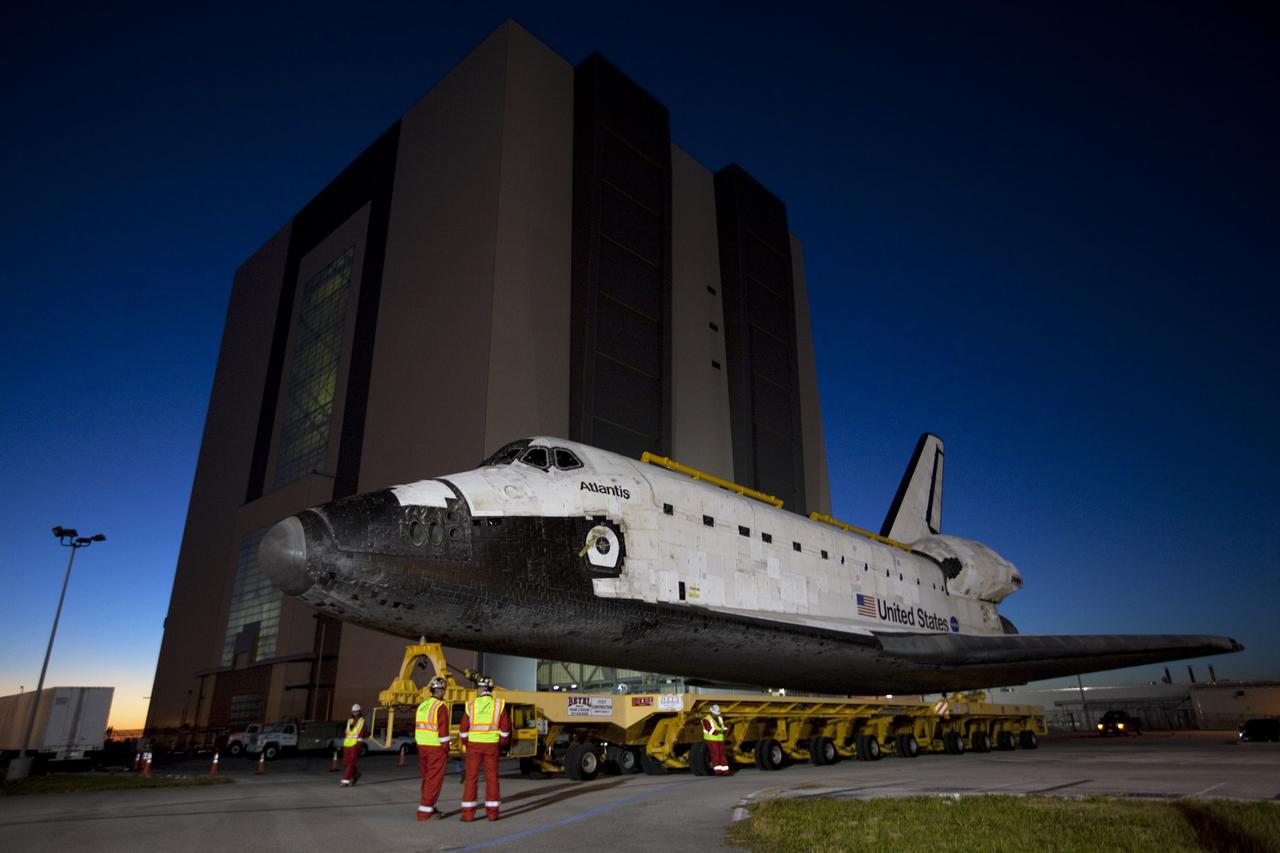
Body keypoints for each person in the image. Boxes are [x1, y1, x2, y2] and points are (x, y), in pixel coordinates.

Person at [458, 675, 510, 822]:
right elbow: (505, 730)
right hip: (492, 746)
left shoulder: (471, 705)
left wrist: (467, 742)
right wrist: (501, 743)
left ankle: (468, 814)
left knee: (471, 778)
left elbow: (463, 729)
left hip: (474, 746)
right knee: (492, 778)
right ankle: (492, 814)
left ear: (480, 689)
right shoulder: (499, 705)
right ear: (491, 689)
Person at [415, 676, 451, 821]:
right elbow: (443, 732)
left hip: (422, 747)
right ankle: (424, 812)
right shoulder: (440, 707)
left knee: (427, 779)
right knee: (434, 780)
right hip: (435, 748)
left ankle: (430, 806)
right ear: (441, 691)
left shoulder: (422, 705)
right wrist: (446, 748)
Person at [340, 703, 368, 786]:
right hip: (347, 743)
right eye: (354, 711)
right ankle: (356, 775)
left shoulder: (362, 721)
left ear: (360, 712)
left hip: (356, 744)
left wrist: (359, 742)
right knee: (346, 763)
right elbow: (346, 732)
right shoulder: (349, 721)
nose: (355, 713)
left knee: (351, 762)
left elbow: (364, 733)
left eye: (357, 711)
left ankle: (345, 781)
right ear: (352, 712)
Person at [703, 704, 731, 775]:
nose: (716, 715)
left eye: (717, 713)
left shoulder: (719, 718)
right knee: (716, 755)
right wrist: (720, 731)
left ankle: (725, 771)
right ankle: (718, 771)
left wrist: (724, 729)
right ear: (711, 712)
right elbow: (711, 731)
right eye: (715, 714)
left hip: (720, 739)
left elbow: (722, 727)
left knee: (722, 754)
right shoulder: (706, 719)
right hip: (712, 740)